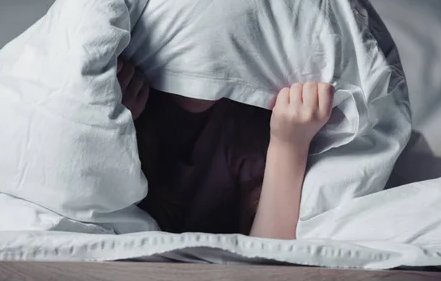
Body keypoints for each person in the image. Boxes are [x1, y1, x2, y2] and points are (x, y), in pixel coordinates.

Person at [117, 57, 334, 240]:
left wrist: (288, 146)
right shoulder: (125, 98)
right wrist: (112, 131)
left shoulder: (251, 119)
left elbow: (268, 260)